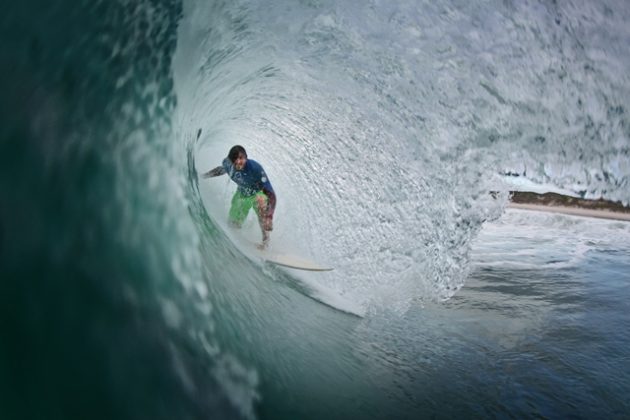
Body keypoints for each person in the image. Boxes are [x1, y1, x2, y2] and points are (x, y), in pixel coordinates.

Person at [203, 145, 276, 247]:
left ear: (246, 157)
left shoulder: (255, 168)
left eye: (241, 158)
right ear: (230, 160)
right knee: (233, 224)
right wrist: (204, 176)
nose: (238, 162)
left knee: (261, 203)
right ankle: (235, 242)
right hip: (242, 194)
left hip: (258, 193)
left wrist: (269, 216)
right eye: (234, 159)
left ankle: (265, 241)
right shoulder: (228, 164)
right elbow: (220, 170)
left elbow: (270, 192)